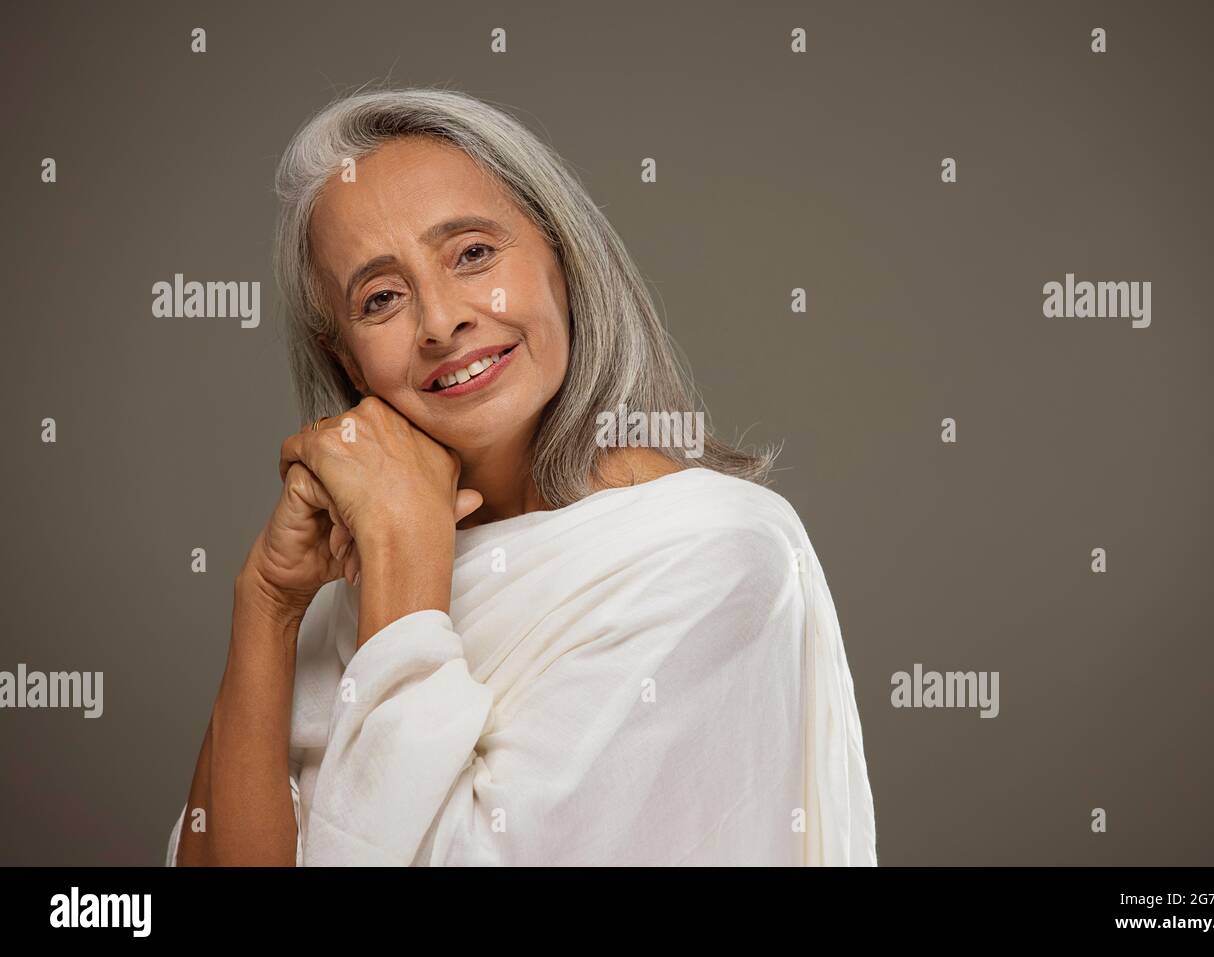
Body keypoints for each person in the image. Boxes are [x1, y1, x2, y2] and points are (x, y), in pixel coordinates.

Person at [166, 87, 877, 866]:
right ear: (349, 359)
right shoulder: (343, 593)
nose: (440, 322)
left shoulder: (717, 554)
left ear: (562, 260)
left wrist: (405, 557)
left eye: (473, 253)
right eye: (382, 298)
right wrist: (268, 603)